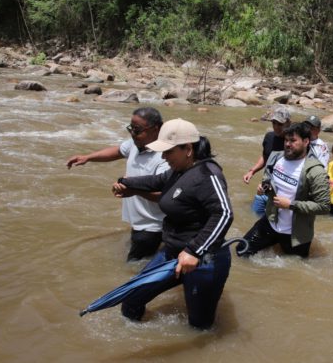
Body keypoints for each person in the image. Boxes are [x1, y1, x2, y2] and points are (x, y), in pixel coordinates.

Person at [111, 118, 233, 329]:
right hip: (172, 252)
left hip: (204, 260)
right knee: (131, 299)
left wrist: (194, 252)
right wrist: (125, 182)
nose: (164, 157)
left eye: (168, 151)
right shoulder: (179, 170)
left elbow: (224, 214)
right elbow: (155, 181)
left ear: (188, 149)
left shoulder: (208, 174)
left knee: (199, 328)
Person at [66, 107, 168, 261]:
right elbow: (118, 151)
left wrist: (133, 191)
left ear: (156, 129)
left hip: (153, 226)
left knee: (133, 268)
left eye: (138, 130)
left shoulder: (165, 158)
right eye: (131, 129)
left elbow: (163, 196)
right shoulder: (136, 143)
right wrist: (88, 157)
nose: (133, 134)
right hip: (139, 222)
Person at [238, 123, 331, 258]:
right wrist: (264, 188)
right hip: (270, 222)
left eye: (293, 140)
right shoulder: (276, 157)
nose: (287, 144)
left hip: (296, 233)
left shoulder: (316, 171)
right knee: (241, 251)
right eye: (286, 140)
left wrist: (291, 205)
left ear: (306, 142)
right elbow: (268, 180)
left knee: (294, 271)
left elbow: (324, 206)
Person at [243, 105, 291, 216]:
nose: (276, 127)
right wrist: (252, 171)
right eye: (274, 123)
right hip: (264, 189)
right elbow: (265, 157)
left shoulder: (292, 142)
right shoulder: (269, 137)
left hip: (281, 194)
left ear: (288, 123)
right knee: (253, 217)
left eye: (280, 124)